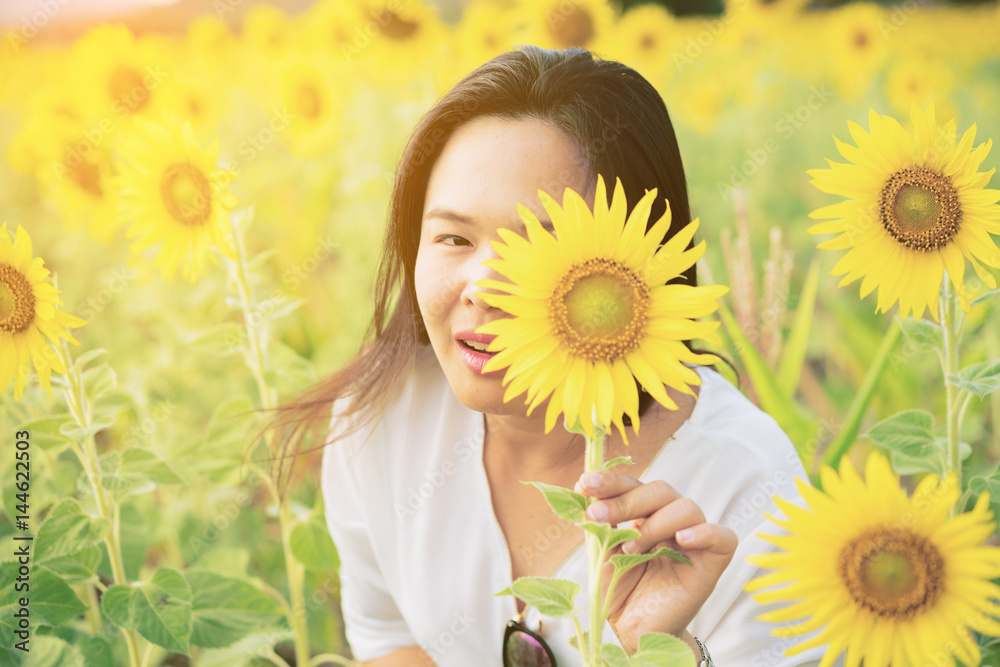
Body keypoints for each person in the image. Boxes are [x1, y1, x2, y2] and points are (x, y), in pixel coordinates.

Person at [273, 45, 830, 666]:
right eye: (453, 237)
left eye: (535, 248)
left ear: (628, 271)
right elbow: (390, 642)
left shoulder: (746, 486)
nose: (481, 287)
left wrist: (663, 654)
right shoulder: (380, 420)